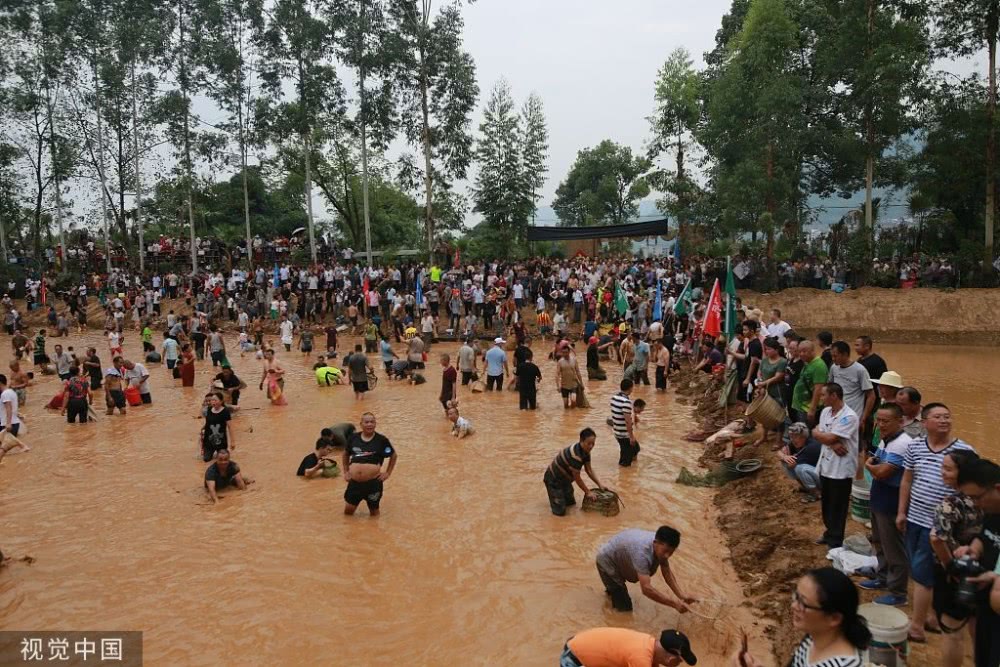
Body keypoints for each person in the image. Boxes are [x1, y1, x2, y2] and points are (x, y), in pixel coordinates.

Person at [897, 402, 975, 642]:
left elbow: (972, 489)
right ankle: (931, 617)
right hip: (915, 518)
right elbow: (907, 480)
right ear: (925, 422)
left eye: (947, 417)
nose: (944, 421)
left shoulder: (964, 451)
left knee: (923, 575)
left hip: (943, 526)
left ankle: (916, 627)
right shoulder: (915, 446)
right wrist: (901, 512)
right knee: (925, 571)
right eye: (938, 417)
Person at [733, 568, 870, 667]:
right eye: (796, 596)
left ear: (834, 618)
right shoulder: (814, 637)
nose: (793, 606)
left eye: (803, 603)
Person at [929, 450, 982, 666]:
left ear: (964, 472)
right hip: (982, 571)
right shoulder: (986, 500)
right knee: (979, 629)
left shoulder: (951, 504)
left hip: (954, 573)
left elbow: (937, 538)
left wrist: (950, 567)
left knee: (952, 632)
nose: (942, 472)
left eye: (948, 469)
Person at [860, 403, 916, 606]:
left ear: (900, 421)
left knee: (894, 548)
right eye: (879, 420)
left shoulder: (902, 443)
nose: (881, 425)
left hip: (892, 501)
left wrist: (868, 465)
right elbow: (877, 462)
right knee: (880, 542)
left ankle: (898, 593)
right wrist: (873, 464)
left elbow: (882, 472)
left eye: (886, 421)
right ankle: (883, 577)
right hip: (880, 498)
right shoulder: (887, 440)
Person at [955, 458, 1000, 667]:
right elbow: (985, 536)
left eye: (977, 497)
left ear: (997, 489)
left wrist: (995, 576)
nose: (975, 504)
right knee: (983, 656)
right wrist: (973, 549)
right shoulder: (992, 511)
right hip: (986, 602)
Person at [595, 526, 695, 613]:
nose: (667, 556)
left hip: (620, 556)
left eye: (671, 552)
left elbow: (666, 571)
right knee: (625, 609)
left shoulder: (660, 545)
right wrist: (674, 604)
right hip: (607, 562)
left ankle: (610, 598)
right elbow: (646, 589)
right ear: (655, 543)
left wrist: (682, 596)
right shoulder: (641, 554)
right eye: (665, 551)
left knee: (615, 595)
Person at [812, 383, 860, 549]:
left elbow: (826, 436)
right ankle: (829, 532)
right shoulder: (825, 412)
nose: (821, 398)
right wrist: (829, 441)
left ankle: (835, 540)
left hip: (841, 468)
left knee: (838, 505)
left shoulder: (849, 416)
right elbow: (821, 432)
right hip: (826, 464)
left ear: (834, 396)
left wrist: (822, 436)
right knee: (827, 502)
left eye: (823, 395)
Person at [342, 413, 397, 517]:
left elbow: (393, 455)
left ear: (375, 424)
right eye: (366, 422)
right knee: (348, 513)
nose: (369, 424)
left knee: (374, 513)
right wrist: (346, 471)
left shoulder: (382, 440)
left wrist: (387, 473)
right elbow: (345, 454)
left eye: (372, 422)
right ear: (361, 424)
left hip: (373, 484)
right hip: (354, 483)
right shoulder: (353, 438)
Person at [543, 427, 605, 516]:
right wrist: (588, 492)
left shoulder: (586, 451)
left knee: (571, 504)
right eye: (589, 443)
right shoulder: (576, 456)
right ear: (581, 441)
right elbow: (577, 478)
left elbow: (589, 470)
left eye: (593, 443)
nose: (591, 446)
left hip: (565, 479)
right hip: (553, 480)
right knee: (560, 512)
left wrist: (600, 484)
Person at [561, 628, 697, 667]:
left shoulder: (649, 643)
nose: (679, 664)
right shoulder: (641, 658)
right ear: (670, 659)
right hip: (573, 659)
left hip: (576, 643)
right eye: (680, 662)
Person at [827, 340, 875, 438]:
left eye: (835, 356)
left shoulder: (860, 370)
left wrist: (863, 418)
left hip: (853, 416)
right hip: (836, 414)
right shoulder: (834, 368)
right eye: (832, 356)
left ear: (845, 354)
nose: (833, 359)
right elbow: (829, 388)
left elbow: (871, 396)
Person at [781, 422, 822, 503]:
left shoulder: (810, 447)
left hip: (827, 480)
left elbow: (790, 465)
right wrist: (784, 456)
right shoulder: (799, 442)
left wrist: (786, 456)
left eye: (795, 437)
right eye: (791, 436)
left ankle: (816, 493)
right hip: (818, 474)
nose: (792, 439)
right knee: (788, 460)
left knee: (799, 468)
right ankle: (807, 487)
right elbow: (779, 452)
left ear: (803, 437)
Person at [611, 379, 638, 467]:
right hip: (624, 434)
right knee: (625, 463)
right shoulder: (626, 402)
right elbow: (627, 421)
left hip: (616, 431)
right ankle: (623, 472)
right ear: (630, 388)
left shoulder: (614, 398)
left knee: (636, 448)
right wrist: (631, 436)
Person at [200, 391, 234, 462]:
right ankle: (210, 451)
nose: (213, 402)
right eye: (212, 400)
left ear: (221, 401)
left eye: (215, 400)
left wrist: (232, 442)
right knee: (206, 459)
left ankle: (221, 451)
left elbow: (230, 427)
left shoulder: (225, 412)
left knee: (222, 459)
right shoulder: (209, 410)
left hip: (221, 441)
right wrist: (202, 429)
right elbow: (208, 423)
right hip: (209, 440)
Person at [556, 344, 583, 409]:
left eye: (566, 352)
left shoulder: (574, 360)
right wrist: (558, 386)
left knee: (573, 402)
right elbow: (557, 375)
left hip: (574, 384)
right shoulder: (560, 362)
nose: (564, 354)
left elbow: (578, 372)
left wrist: (581, 383)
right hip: (564, 386)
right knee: (565, 405)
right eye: (563, 352)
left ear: (569, 352)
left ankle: (573, 414)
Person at [0, 373, 23, 438]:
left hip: (8, 424)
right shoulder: (11, 391)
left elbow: (8, 408)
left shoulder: (5, 394)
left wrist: (8, 423)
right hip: (13, 423)